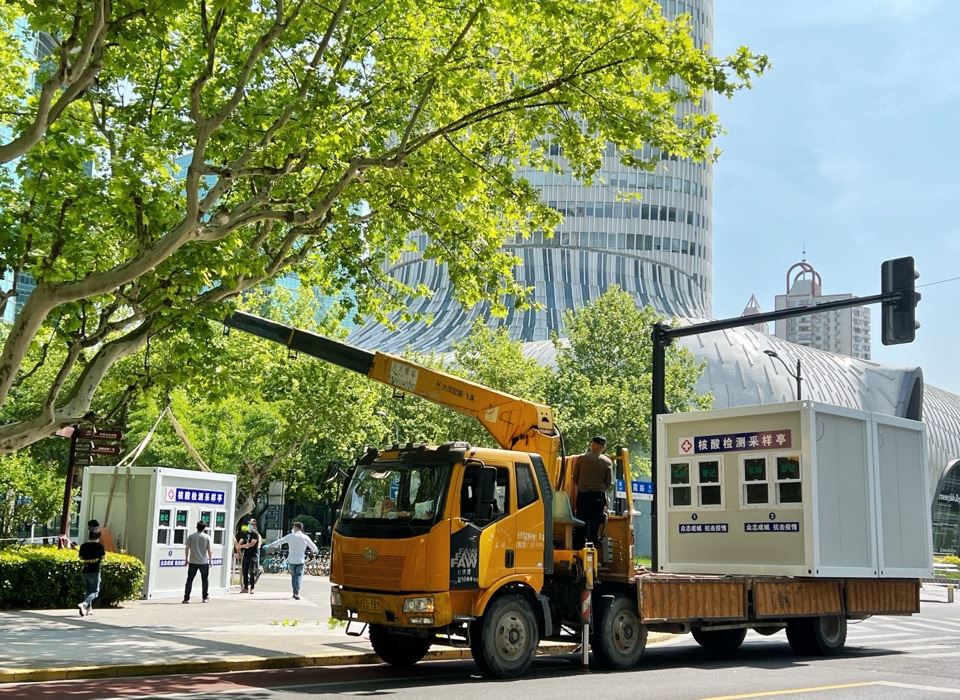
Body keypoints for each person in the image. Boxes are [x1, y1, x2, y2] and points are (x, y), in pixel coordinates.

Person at [572, 435, 613, 549]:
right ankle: (593, 549)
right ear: (603, 447)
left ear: (592, 444)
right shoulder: (607, 462)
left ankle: (578, 547)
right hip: (598, 496)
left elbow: (575, 477)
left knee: (581, 521)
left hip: (583, 494)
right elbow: (608, 483)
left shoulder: (581, 458)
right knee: (595, 524)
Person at [263, 522, 319, 599]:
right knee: (298, 577)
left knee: (293, 576)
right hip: (301, 560)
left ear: (296, 527)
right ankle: (296, 592)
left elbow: (280, 541)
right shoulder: (305, 537)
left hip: (292, 560)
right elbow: (314, 547)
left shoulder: (290, 536)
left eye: (293, 526)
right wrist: (315, 551)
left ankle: (294, 591)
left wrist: (269, 546)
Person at [183, 520, 214, 604]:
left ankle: (186, 598)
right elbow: (209, 550)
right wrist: (210, 560)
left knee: (189, 579)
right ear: (204, 528)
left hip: (193, 561)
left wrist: (186, 559)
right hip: (203, 562)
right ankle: (205, 597)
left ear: (197, 527)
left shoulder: (191, 536)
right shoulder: (207, 537)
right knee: (205, 580)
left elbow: (187, 548)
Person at [77, 527, 105, 616]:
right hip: (95, 571)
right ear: (99, 536)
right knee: (95, 592)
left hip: (85, 571)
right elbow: (103, 558)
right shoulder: (100, 546)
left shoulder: (83, 546)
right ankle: (84, 604)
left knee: (88, 591)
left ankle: (89, 609)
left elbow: (81, 558)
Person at [236, 517, 262, 593]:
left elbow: (251, 544)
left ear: (254, 526)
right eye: (249, 524)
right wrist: (238, 547)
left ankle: (252, 588)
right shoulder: (246, 533)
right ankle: (245, 587)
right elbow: (240, 541)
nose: (249, 526)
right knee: (244, 571)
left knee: (252, 571)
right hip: (246, 555)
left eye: (251, 524)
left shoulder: (255, 534)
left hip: (253, 555)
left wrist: (241, 546)